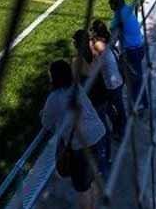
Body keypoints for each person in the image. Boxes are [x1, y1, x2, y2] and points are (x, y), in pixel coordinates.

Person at [40, 59, 110, 209]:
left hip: (82, 145)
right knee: (93, 176)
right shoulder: (76, 87)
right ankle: (94, 204)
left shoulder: (54, 98)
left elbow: (46, 123)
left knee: (82, 188)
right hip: (99, 133)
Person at [89, 20, 127, 137]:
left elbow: (94, 65)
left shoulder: (98, 45)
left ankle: (120, 130)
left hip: (111, 83)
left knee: (109, 108)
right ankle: (121, 128)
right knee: (118, 106)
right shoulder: (107, 39)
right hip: (118, 79)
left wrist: (90, 45)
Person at [109, 0, 146, 109]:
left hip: (131, 52)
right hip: (139, 47)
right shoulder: (128, 8)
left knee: (134, 79)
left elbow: (112, 31)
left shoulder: (118, 16)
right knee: (136, 77)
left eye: (111, 3)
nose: (109, 5)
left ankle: (139, 104)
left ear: (115, 4)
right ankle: (140, 102)